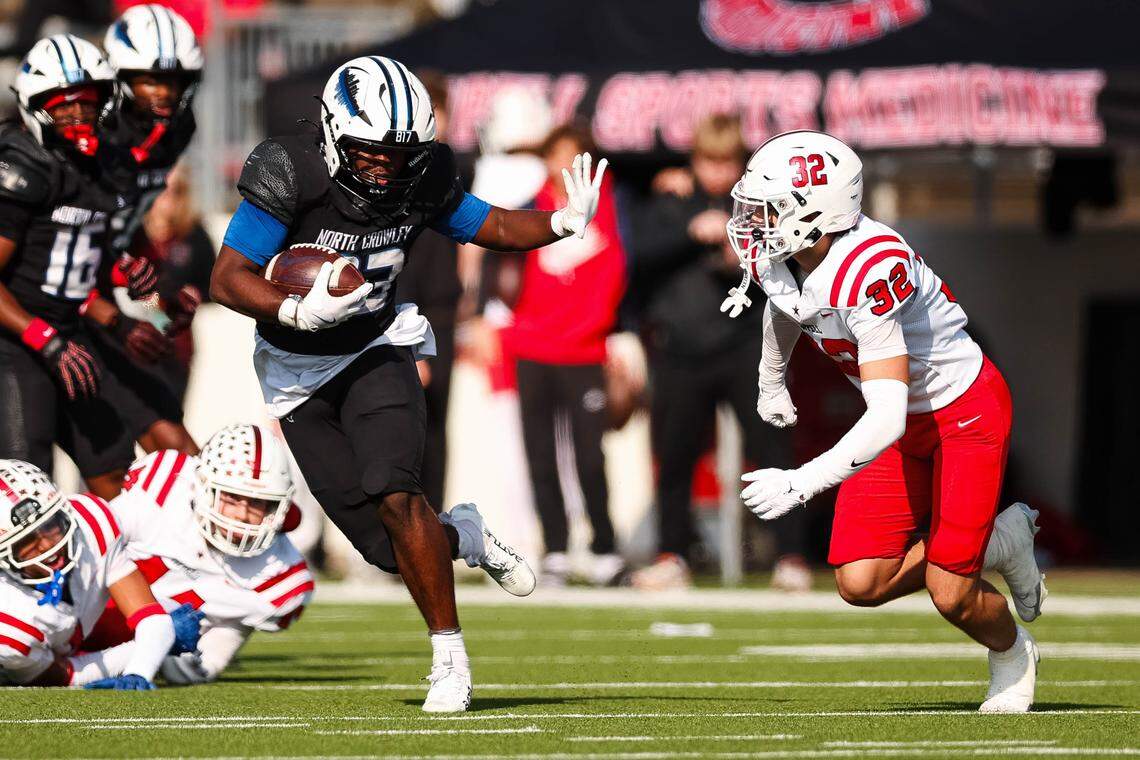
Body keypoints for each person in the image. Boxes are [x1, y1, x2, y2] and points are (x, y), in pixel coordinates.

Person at [210, 56, 606, 712]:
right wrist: (294, 309)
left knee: (397, 493)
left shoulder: (425, 173)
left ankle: (449, 658)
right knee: (383, 548)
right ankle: (466, 536)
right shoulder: (290, 168)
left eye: (398, 156)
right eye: (369, 154)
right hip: (294, 371)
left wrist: (559, 223)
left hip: (376, 346)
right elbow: (229, 276)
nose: (384, 170)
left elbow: (494, 226)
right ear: (334, 135)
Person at [723, 129, 1046, 713]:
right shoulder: (791, 254)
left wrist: (802, 481)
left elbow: (888, 416)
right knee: (860, 582)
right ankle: (998, 541)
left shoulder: (868, 268)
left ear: (816, 210)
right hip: (901, 418)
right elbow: (788, 304)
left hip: (960, 412)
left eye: (768, 205)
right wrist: (771, 377)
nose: (753, 218)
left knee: (952, 595)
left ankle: (1012, 651)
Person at [625, 114, 804, 590]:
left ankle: (791, 555)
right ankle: (673, 554)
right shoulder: (671, 198)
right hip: (680, 349)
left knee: (770, 448)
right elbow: (638, 255)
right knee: (674, 456)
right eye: (709, 161)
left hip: (744, 346)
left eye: (727, 162)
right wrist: (691, 231)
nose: (718, 172)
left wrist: (742, 252)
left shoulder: (763, 204)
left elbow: (791, 264)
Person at [0, 34, 167, 499]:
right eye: (62, 106)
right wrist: (43, 338)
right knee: (25, 487)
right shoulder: (23, 165)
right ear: (36, 108)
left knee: (117, 474)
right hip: (15, 340)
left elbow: (76, 249)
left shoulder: (101, 165)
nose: (77, 116)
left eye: (87, 104)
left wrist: (123, 271)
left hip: (68, 334)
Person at [471, 124, 626, 586]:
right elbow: (494, 257)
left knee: (589, 456)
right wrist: (487, 317)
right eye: (554, 156)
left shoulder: (615, 209)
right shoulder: (528, 208)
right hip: (531, 349)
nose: (562, 168)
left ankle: (604, 549)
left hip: (584, 352)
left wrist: (594, 330)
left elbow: (616, 277)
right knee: (539, 455)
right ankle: (555, 548)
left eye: (573, 157)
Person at [82, 424, 314, 684]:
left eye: (257, 502)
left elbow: (205, 658)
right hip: (85, 611)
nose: (241, 516)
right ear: (202, 485)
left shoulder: (282, 579)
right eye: (231, 497)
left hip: (130, 647)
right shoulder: (165, 487)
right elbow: (93, 544)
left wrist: (193, 656)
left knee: (183, 672)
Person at [82, 3, 204, 456]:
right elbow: (53, 247)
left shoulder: (173, 131)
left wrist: (157, 308)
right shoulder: (86, 137)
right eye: (149, 79)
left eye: (173, 82)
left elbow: (123, 232)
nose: (164, 94)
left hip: (92, 299)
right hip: (46, 309)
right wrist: (113, 314)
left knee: (177, 460)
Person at [0, 459, 202, 688]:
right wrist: (139, 652)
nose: (47, 545)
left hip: (79, 632)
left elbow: (151, 616)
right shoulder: (9, 626)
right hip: (35, 655)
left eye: (49, 525)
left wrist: (141, 668)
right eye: (26, 541)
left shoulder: (90, 523)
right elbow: (66, 675)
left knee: (171, 613)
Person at [394, 71, 462, 510]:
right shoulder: (398, 175)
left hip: (443, 313)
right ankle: (396, 531)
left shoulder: (452, 169)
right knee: (399, 427)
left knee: (435, 426)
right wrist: (411, 339)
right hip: (402, 314)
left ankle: (432, 524)